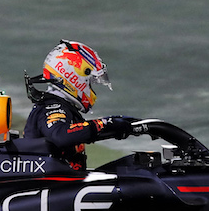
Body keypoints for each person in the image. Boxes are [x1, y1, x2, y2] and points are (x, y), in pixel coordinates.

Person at [21, 40, 135, 170]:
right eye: (90, 82)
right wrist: (102, 124)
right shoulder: (52, 107)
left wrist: (122, 123)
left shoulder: (60, 105)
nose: (90, 88)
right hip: (54, 186)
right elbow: (60, 135)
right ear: (73, 77)